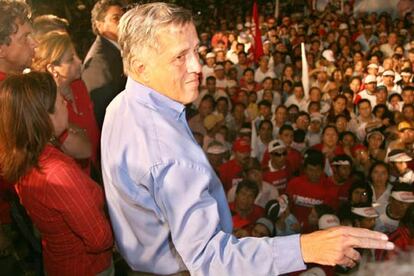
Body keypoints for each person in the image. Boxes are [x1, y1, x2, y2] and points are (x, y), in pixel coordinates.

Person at [101, 3, 394, 275]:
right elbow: (209, 260)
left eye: (195, 51)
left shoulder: (121, 104)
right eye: (180, 57)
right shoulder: (169, 154)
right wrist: (306, 247)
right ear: (141, 67)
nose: (198, 67)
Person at [0, 72, 114, 276]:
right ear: (45, 117)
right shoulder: (58, 174)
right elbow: (99, 239)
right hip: (87, 267)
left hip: (58, 262)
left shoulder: (23, 154)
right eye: (59, 101)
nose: (65, 103)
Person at [82, 0, 126, 129]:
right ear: (99, 25)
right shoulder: (97, 63)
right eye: (116, 18)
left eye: (124, 17)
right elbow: (104, 113)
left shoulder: (117, 50)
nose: (122, 22)